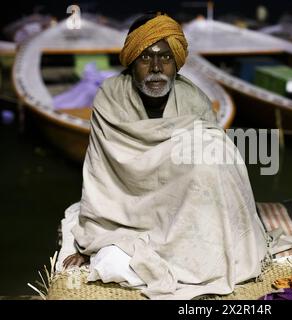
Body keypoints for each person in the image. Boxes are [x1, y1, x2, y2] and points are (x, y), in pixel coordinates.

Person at [62, 12, 268, 299]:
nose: (157, 67)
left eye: (166, 58)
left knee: (214, 150)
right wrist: (89, 244)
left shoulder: (193, 100)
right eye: (146, 58)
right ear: (132, 61)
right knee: (112, 260)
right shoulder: (110, 98)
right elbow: (101, 175)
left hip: (185, 213)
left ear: (177, 63)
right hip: (129, 208)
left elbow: (212, 178)